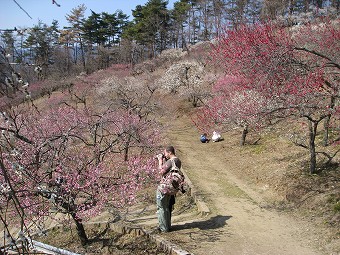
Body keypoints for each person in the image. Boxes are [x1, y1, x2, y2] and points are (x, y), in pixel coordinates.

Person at [156, 145, 182, 232]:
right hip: (171, 188)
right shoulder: (178, 161)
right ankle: (167, 226)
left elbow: (161, 171)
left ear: (170, 152)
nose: (165, 155)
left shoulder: (171, 161)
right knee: (167, 207)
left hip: (164, 188)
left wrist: (160, 161)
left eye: (165, 153)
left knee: (161, 207)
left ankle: (164, 228)